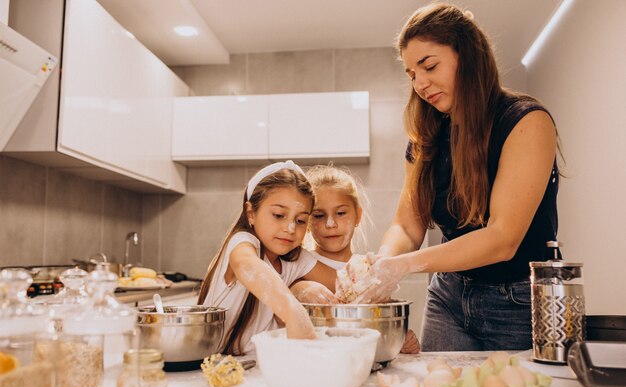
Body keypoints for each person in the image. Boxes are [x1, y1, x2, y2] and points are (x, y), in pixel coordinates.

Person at [354, 3, 560, 352]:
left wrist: (404, 266)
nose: (419, 83)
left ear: (467, 55)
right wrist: (383, 263)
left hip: (519, 300)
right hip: (448, 297)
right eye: (410, 74)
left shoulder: (526, 121)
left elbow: (502, 238)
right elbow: (407, 226)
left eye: (429, 66)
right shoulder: (425, 139)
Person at [197, 161, 335, 355]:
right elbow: (247, 265)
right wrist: (293, 311)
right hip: (218, 371)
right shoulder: (242, 243)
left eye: (301, 220)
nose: (290, 228)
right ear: (251, 213)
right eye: (279, 215)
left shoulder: (295, 259)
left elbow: (342, 284)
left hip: (261, 368)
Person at [291, 164, 420, 354]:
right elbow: (281, 287)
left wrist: (398, 337)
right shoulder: (299, 262)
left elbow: (378, 325)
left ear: (358, 216)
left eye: (341, 213)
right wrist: (299, 289)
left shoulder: (370, 271)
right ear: (307, 222)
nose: (330, 223)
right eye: (319, 215)